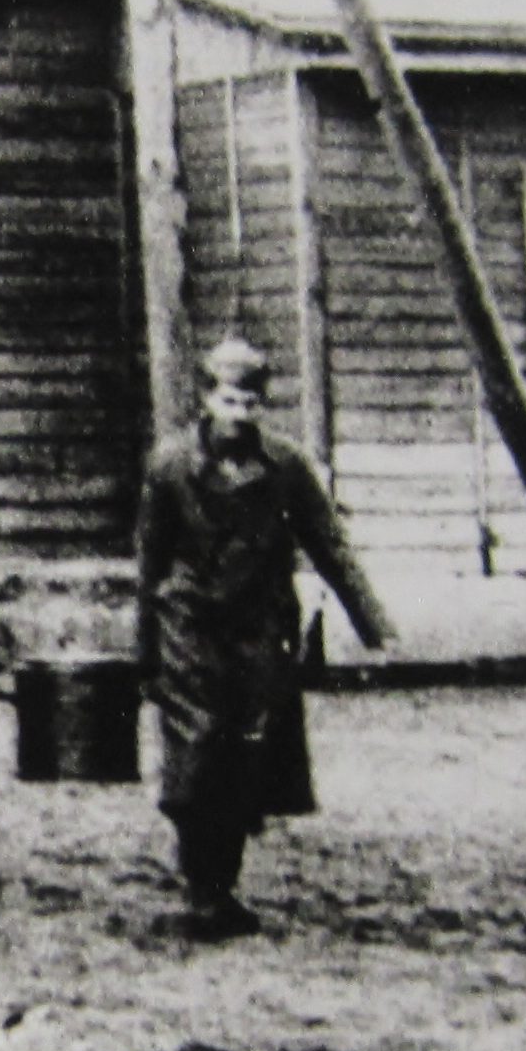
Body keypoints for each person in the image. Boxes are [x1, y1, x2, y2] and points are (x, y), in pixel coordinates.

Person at [136, 336, 393, 941]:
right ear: (206, 399)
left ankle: (221, 889)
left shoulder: (286, 465)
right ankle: (201, 890)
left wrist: (372, 622)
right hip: (190, 628)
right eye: (229, 400)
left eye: (251, 403)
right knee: (197, 753)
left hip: (257, 630)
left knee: (244, 758)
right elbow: (150, 563)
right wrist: (145, 650)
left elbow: (329, 543)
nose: (240, 414)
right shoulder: (169, 465)